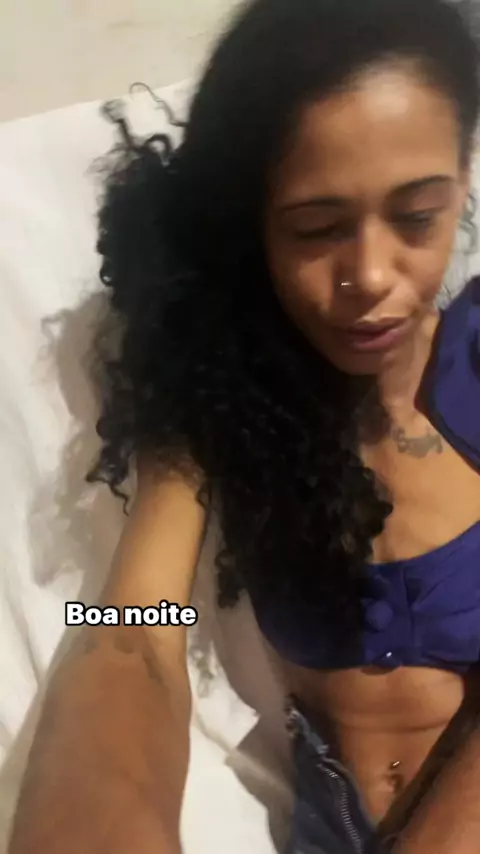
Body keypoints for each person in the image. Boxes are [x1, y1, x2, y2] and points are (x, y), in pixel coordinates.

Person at [8, 0, 480, 852]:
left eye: (417, 216)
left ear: (464, 176)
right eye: (317, 229)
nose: (372, 275)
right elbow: (136, 632)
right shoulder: (227, 394)